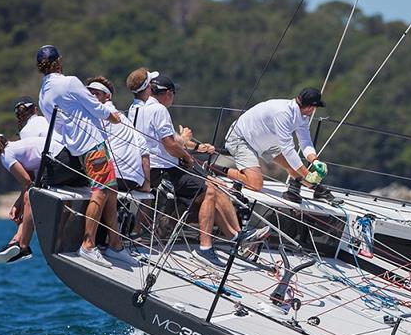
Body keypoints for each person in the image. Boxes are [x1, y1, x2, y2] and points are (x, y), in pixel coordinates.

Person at [126, 69, 267, 268]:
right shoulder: (159, 110)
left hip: (147, 166)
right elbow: (169, 144)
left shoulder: (137, 108)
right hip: (163, 169)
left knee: (212, 187)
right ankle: (206, 247)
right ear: (167, 93)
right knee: (211, 188)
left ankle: (237, 236)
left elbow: (170, 139)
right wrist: (187, 157)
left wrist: (195, 146)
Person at [36, 44, 135, 268]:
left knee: (110, 192)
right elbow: (96, 107)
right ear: (59, 61)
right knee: (100, 193)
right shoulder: (69, 81)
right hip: (93, 145)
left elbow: (59, 124)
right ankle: (88, 245)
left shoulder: (43, 94)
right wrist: (113, 116)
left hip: (77, 148)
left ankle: (115, 245)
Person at [222, 88, 336, 204]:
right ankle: (217, 169)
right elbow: (288, 149)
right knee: (255, 184)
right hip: (242, 139)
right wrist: (307, 174)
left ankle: (317, 189)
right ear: (310, 107)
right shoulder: (283, 113)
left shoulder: (303, 117)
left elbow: (305, 142)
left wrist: (315, 161)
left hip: (265, 142)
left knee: (293, 167)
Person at [0, 133, 46, 263]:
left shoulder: (5, 155)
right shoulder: (15, 146)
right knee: (28, 198)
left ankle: (23, 247)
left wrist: (18, 205)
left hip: (59, 165)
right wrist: (18, 205)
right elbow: (29, 182)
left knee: (29, 198)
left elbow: (28, 182)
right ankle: (17, 240)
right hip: (64, 160)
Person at [84, 76, 150, 193]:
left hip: (112, 178)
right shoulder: (124, 119)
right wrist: (146, 184)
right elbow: (144, 149)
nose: (92, 97)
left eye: (97, 94)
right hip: (133, 181)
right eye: (90, 94)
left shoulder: (97, 114)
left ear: (108, 96)